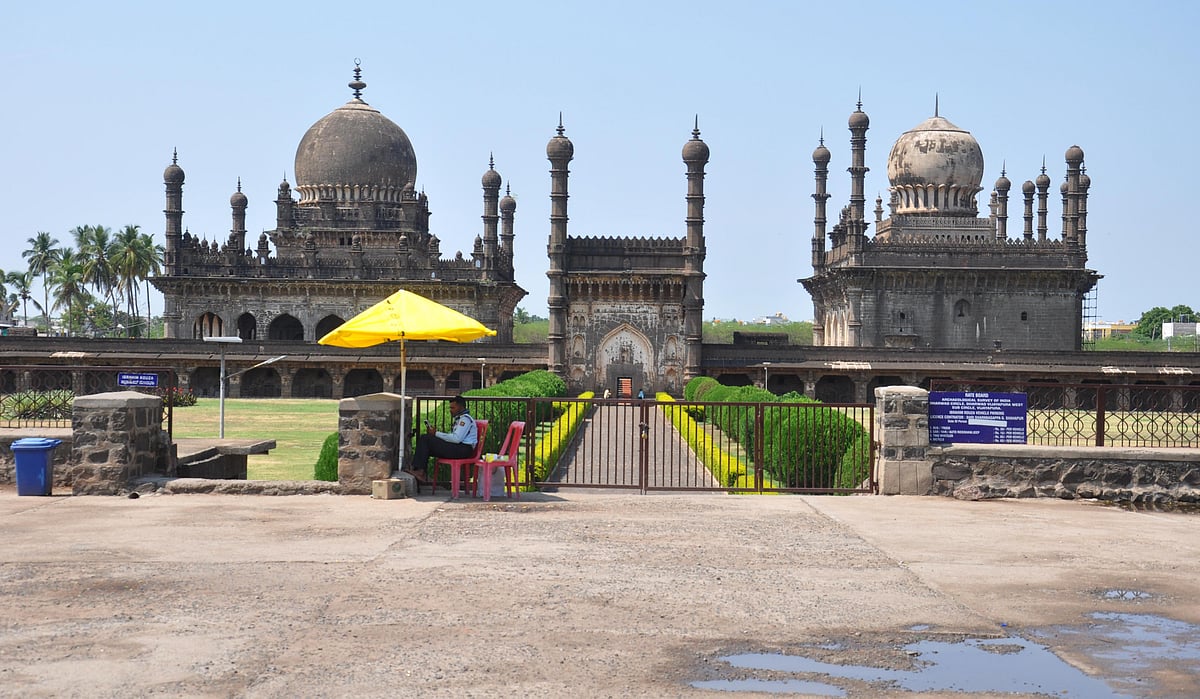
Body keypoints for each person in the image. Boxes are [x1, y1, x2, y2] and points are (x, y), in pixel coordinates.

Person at [404, 395, 477, 485]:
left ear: (460, 407)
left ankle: (421, 472)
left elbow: (456, 439)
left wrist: (436, 434)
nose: (451, 410)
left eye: (453, 408)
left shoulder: (465, 420)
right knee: (426, 444)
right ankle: (420, 471)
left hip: (463, 449)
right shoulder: (459, 419)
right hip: (459, 448)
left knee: (426, 439)